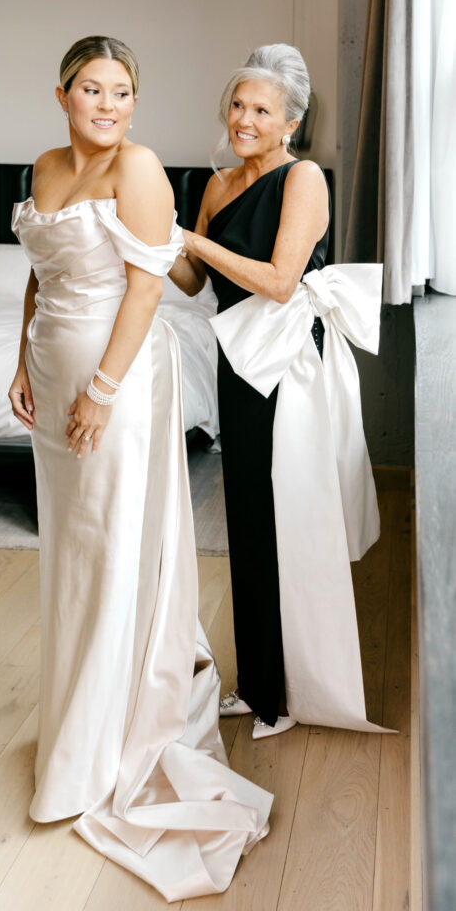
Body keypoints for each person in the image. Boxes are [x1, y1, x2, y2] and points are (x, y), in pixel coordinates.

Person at [8, 35, 271, 902]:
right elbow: (39, 278)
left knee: (110, 542)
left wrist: (101, 391)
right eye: (92, 89)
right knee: (70, 553)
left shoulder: (142, 168)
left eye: (122, 91)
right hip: (50, 373)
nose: (109, 104)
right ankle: (74, 717)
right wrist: (21, 362)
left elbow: (150, 288)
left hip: (114, 382)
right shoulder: (45, 166)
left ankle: (108, 736)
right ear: (62, 94)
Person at [169, 44, 388, 740]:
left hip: (288, 361)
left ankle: (297, 685)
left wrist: (193, 244)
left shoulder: (304, 181)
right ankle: (260, 685)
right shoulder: (215, 186)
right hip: (239, 359)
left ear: (289, 122)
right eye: (237, 104)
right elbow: (192, 284)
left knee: (290, 514)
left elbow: (278, 281)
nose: (243, 118)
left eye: (260, 109)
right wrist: (147, 242)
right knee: (246, 521)